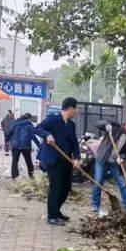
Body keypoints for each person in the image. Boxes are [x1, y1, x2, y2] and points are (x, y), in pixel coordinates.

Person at [34, 97, 81, 226]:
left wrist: (76, 158)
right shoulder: (53, 119)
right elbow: (37, 128)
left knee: (66, 187)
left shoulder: (71, 124)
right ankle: (51, 216)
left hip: (65, 160)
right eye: (76, 108)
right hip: (52, 159)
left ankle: (57, 211)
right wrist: (47, 135)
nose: (76, 111)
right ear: (70, 108)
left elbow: (74, 144)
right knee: (55, 187)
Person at [91, 118, 126, 217]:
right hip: (102, 159)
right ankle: (95, 206)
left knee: (122, 184)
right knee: (98, 182)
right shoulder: (115, 127)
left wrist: (122, 158)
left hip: (115, 163)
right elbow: (97, 123)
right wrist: (106, 124)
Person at [9, 113, 37, 179]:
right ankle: (31, 176)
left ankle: (15, 177)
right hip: (26, 146)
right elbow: (33, 136)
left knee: (14, 162)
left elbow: (9, 132)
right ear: (29, 118)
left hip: (15, 146)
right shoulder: (29, 125)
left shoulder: (16, 123)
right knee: (29, 162)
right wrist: (39, 145)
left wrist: (9, 140)